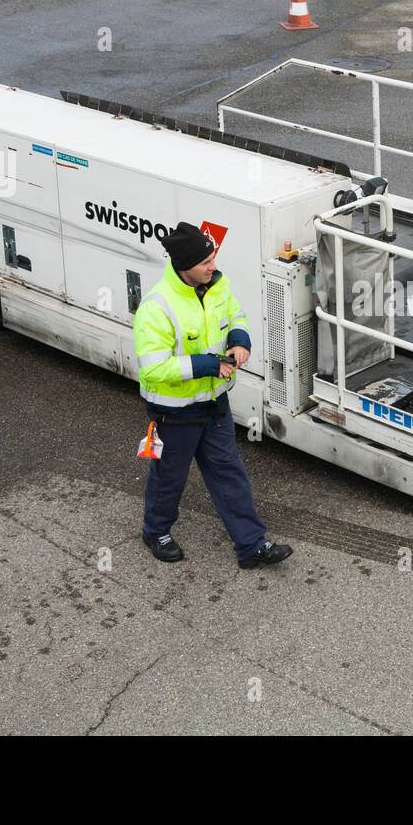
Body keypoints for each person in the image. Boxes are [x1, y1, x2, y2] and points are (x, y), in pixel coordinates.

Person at [132, 222, 293, 570]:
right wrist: (209, 365)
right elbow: (153, 369)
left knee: (229, 474)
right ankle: (155, 530)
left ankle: (251, 545)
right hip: (174, 414)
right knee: (169, 477)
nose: (213, 266)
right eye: (205, 261)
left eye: (213, 257)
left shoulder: (217, 285)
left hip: (215, 405)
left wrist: (239, 340)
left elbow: (236, 316)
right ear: (184, 266)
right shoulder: (156, 308)